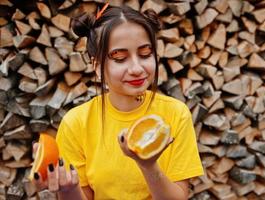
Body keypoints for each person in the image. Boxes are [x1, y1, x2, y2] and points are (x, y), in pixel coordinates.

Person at [32, 4, 204, 200]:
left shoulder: (176, 114)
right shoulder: (76, 123)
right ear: (97, 66)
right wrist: (68, 189)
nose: (137, 68)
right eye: (120, 58)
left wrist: (148, 165)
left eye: (145, 54)